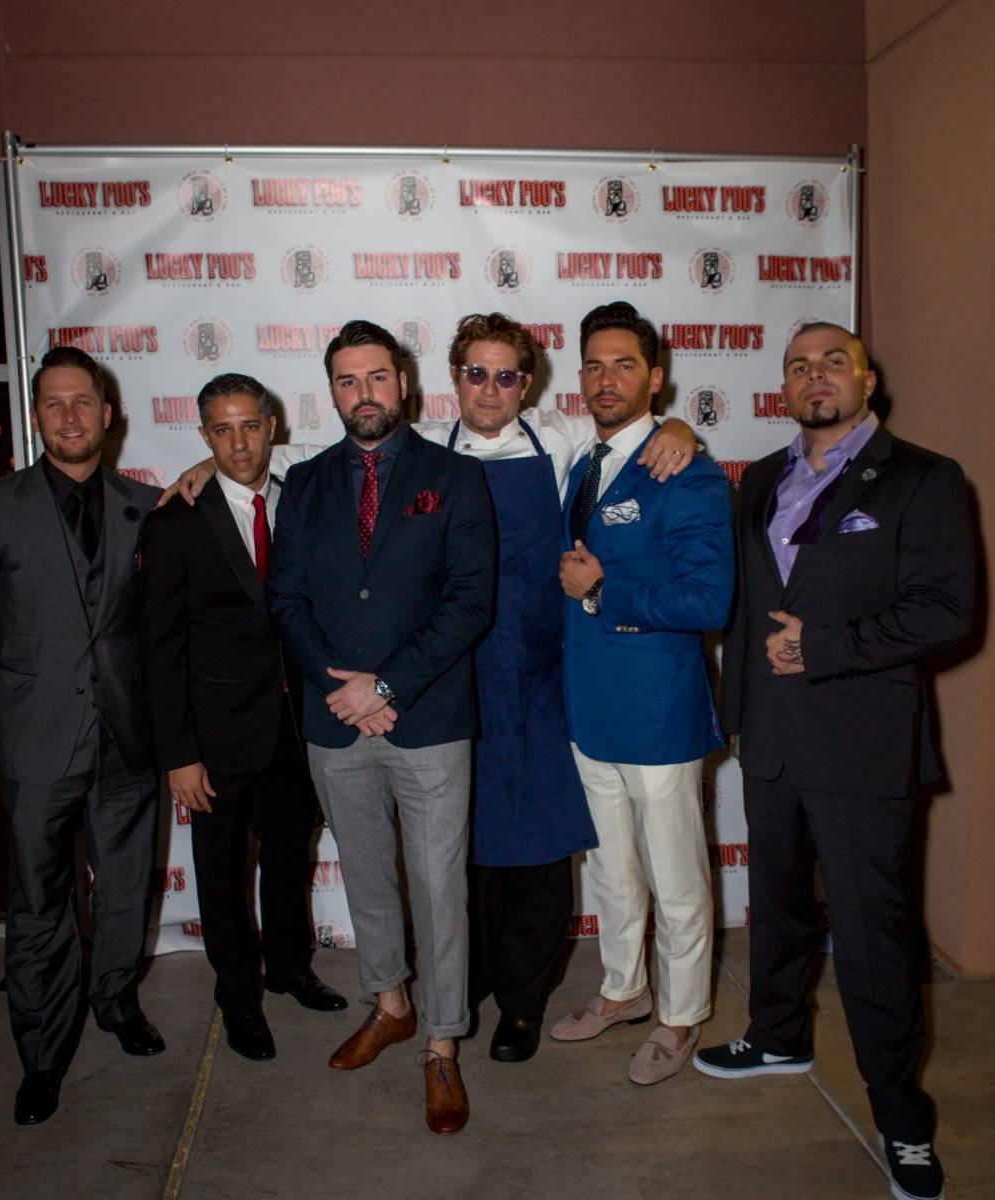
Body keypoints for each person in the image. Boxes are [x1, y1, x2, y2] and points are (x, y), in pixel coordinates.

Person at [167, 315, 697, 1063]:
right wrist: (201, 466)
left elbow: (630, 438)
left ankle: (521, 1005)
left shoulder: (560, 445)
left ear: (526, 384)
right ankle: (460, 993)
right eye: (476, 374)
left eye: (505, 376)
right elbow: (261, 460)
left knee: (538, 853)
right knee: (460, 862)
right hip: (442, 683)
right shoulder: (408, 450)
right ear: (452, 381)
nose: (490, 389)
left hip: (533, 682)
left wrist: (679, 427)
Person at [693, 323, 973, 1200]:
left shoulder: (923, 477)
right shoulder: (760, 479)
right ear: (783, 387)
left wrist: (824, 647)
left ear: (866, 378)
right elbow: (746, 609)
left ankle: (901, 1119)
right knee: (776, 905)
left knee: (871, 937)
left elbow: (946, 610)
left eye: (832, 362)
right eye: (797, 366)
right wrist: (738, 717)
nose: (814, 376)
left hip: (861, 744)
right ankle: (777, 1035)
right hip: (771, 738)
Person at [266, 320, 496, 1134]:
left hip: (427, 717)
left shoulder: (455, 478)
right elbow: (286, 598)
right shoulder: (303, 483)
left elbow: (470, 600)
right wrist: (344, 692)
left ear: (402, 383)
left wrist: (386, 685)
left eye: (375, 377)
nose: (362, 393)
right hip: (335, 722)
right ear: (331, 392)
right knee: (365, 875)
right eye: (345, 380)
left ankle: (440, 1042)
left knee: (437, 887)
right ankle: (390, 1004)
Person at [0, 347, 164, 1126]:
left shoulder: (146, 507)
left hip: (126, 737)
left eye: (84, 402)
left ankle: (115, 1000)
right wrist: (19, 671)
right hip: (37, 737)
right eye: (54, 403)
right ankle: (42, 1054)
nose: (70, 417)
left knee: (126, 886)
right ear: (35, 416)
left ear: (109, 414)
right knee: (40, 899)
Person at [137, 373, 346, 1063]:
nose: (238, 443)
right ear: (204, 436)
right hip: (217, 735)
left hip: (298, 724)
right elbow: (160, 648)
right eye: (222, 431)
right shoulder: (174, 523)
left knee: (288, 857)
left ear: (271, 427)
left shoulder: (301, 503)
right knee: (222, 873)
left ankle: (288, 968)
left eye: (249, 426)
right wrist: (179, 754)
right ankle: (237, 996)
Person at [551, 301, 734, 1087]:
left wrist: (602, 592)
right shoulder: (581, 461)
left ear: (654, 377)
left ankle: (681, 1014)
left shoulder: (686, 471)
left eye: (623, 364)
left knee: (675, 878)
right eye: (593, 365)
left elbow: (708, 600)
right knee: (611, 870)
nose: (605, 379)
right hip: (588, 707)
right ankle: (623, 989)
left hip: (657, 712)